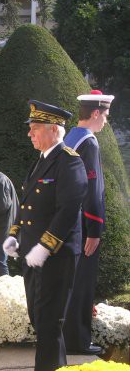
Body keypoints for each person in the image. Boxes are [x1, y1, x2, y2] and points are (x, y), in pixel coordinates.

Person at [3, 100, 87, 371]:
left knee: (50, 318)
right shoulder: (41, 160)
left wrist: (45, 246)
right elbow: (25, 205)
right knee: (39, 316)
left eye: (35, 128)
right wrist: (14, 235)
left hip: (55, 254)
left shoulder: (69, 161)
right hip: (32, 253)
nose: (30, 134)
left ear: (54, 130)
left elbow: (67, 210)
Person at [63, 90, 114, 356]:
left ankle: (70, 338)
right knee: (82, 284)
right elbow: (92, 189)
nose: (106, 120)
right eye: (105, 115)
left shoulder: (71, 136)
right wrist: (95, 229)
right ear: (95, 113)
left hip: (69, 223)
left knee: (71, 283)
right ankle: (78, 341)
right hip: (84, 226)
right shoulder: (89, 142)